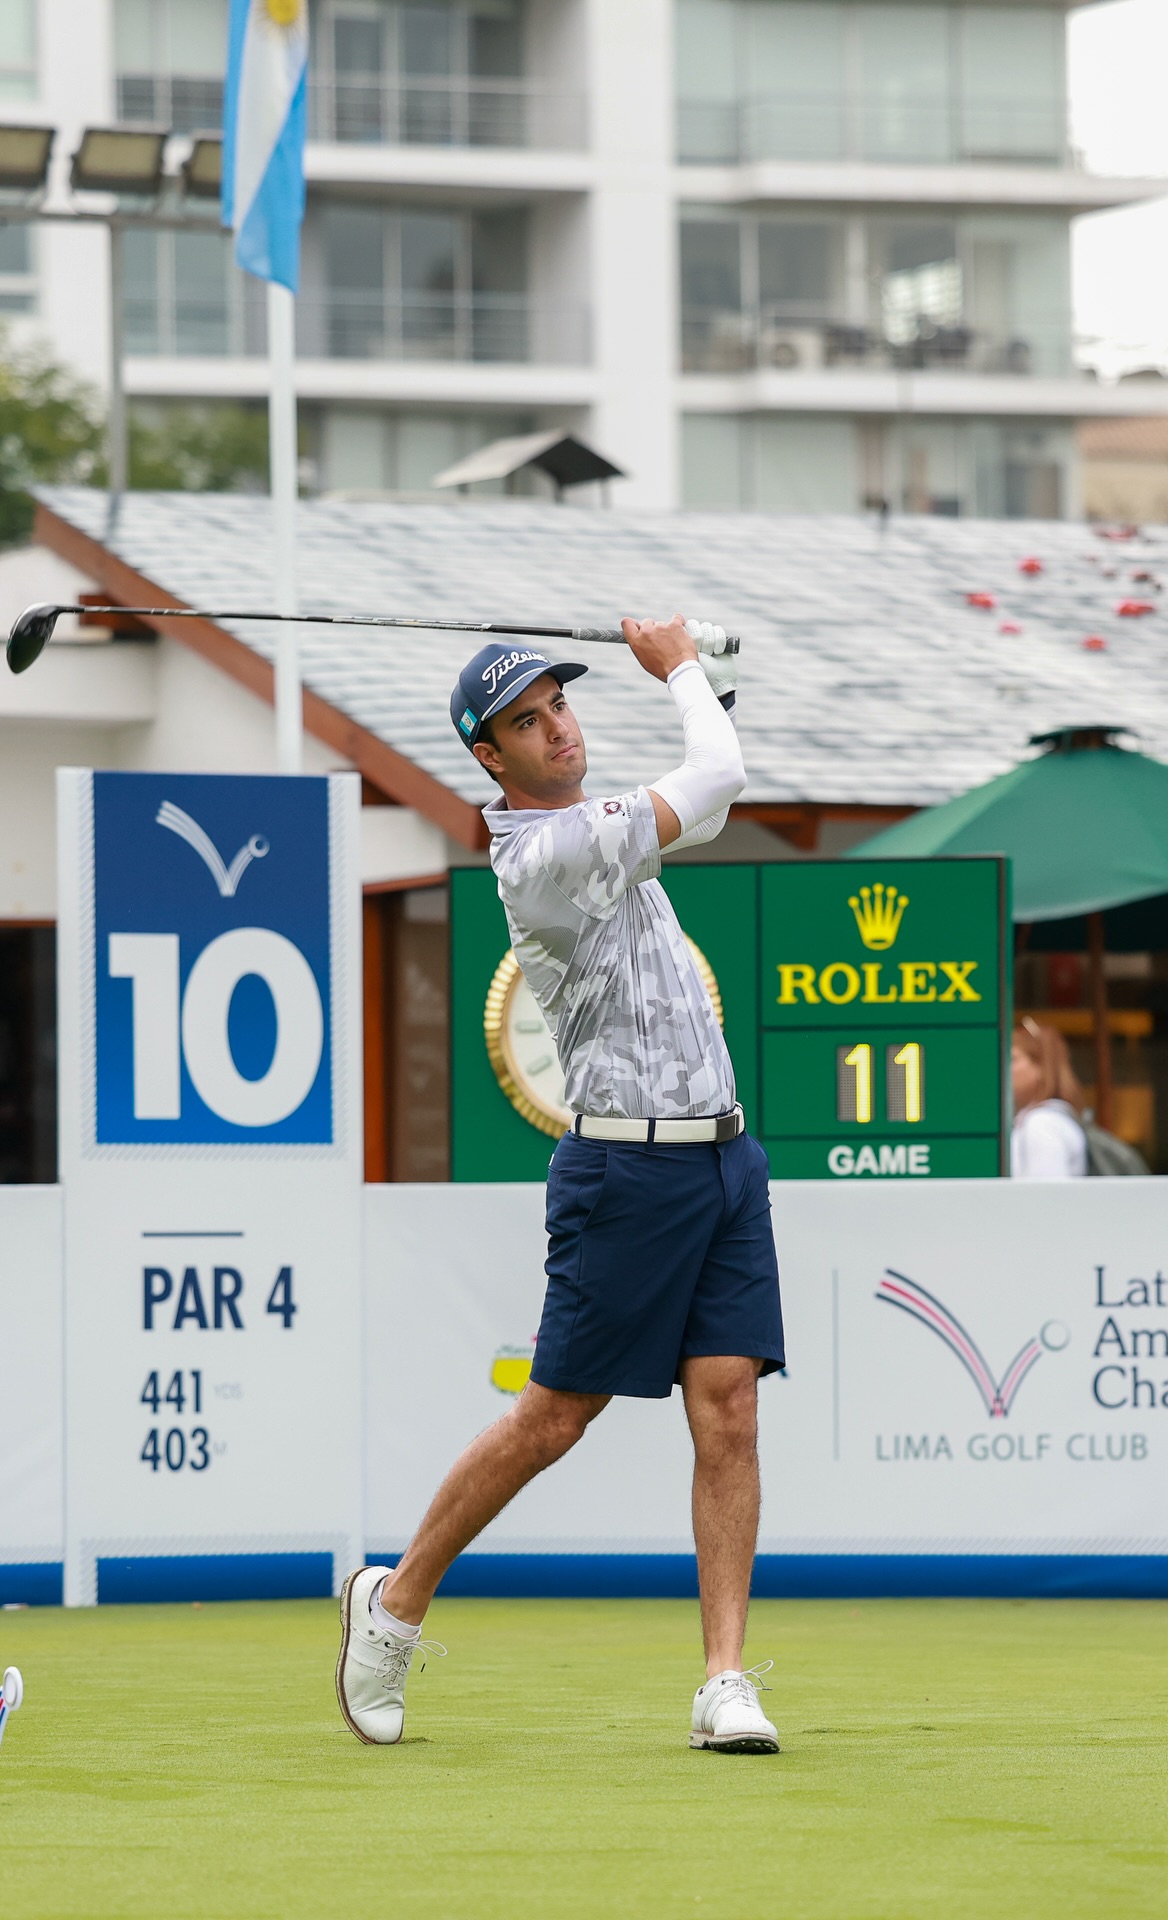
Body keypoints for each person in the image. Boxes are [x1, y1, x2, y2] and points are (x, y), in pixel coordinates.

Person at [336, 615, 785, 1755]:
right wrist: (680, 667)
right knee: (554, 1418)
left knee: (729, 1406)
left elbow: (707, 801)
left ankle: (725, 1682)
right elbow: (718, 778)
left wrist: (711, 681)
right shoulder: (543, 856)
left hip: (725, 1159)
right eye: (528, 723)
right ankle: (393, 1607)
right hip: (623, 1169)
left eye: (561, 705)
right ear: (490, 757)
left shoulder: (601, 826)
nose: (559, 730)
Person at [1010, 1017, 1088, 1178]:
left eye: (1013, 1059)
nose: (1005, 1068)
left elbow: (1045, 1192)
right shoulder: (1048, 1120)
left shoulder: (1042, 1124)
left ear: (1041, 1065)